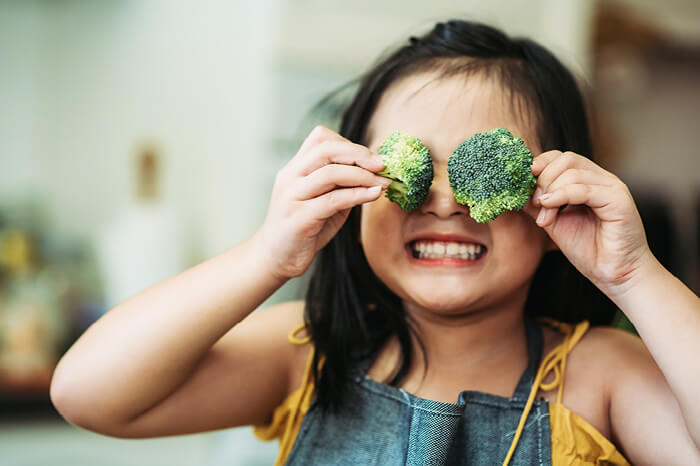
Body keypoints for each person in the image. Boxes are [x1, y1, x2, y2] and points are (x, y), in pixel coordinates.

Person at [50, 20, 700, 465]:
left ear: (558, 205)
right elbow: (87, 393)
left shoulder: (603, 374)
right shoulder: (306, 353)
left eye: (485, 168)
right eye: (407, 167)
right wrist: (266, 256)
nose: (444, 199)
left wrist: (633, 275)